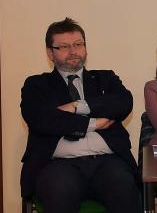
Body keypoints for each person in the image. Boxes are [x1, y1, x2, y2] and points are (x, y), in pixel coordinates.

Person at [20, 18, 140, 212]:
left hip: (108, 162)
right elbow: (40, 119)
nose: (73, 51)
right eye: (64, 46)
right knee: (60, 190)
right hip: (58, 166)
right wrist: (93, 124)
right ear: (50, 52)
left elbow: (123, 103)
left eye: (78, 44)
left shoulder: (105, 79)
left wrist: (77, 106)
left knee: (124, 187)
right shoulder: (36, 85)